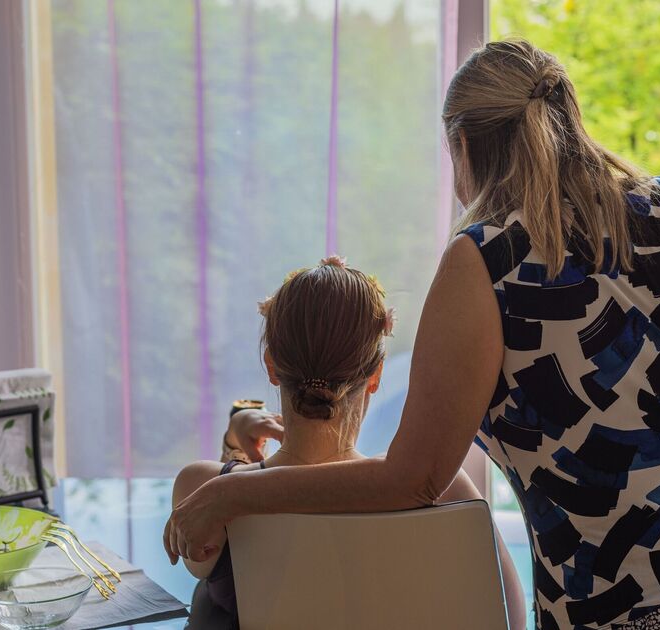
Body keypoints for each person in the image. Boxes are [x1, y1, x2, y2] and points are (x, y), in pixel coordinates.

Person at [165, 39, 660, 629]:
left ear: (464, 146)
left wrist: (234, 495)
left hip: (628, 602)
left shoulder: (482, 264)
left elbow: (413, 479)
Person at [169, 257, 526, 630]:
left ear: (271, 365)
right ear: (375, 376)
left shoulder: (203, 489)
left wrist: (234, 444)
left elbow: (205, 551)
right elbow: (511, 619)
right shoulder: (448, 494)